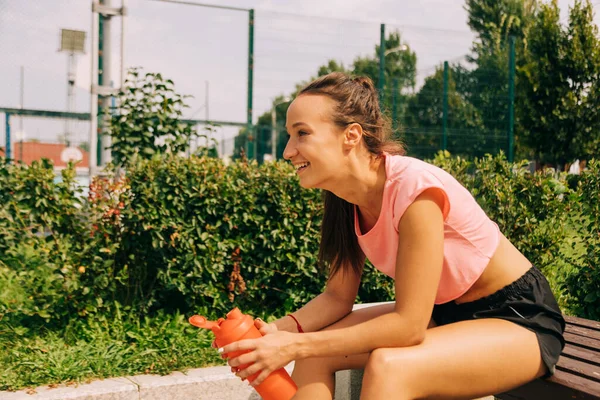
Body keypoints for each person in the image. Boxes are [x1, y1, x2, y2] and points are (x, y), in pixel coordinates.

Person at [219, 72, 565, 400]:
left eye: (302, 133)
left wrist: (295, 346)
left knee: (389, 366)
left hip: (517, 320)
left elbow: (409, 326)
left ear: (351, 136)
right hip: (443, 315)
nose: (287, 150)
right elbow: (338, 297)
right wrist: (278, 333)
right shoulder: (344, 201)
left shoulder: (414, 191)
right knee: (316, 348)